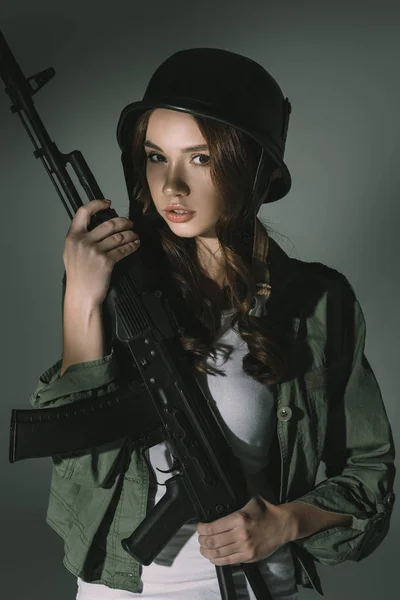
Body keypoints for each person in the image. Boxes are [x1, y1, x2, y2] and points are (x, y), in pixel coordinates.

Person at [29, 48, 396, 600]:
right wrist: (81, 297)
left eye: (200, 159)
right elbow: (79, 453)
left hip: (257, 585)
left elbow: (370, 471)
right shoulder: (112, 284)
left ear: (254, 169)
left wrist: (286, 522)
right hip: (122, 591)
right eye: (156, 156)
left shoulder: (319, 303)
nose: (172, 185)